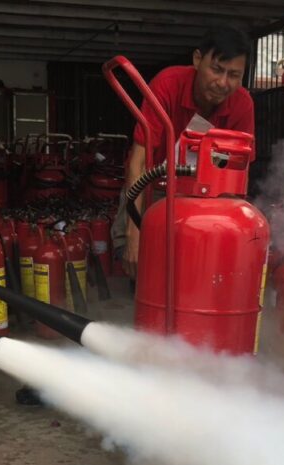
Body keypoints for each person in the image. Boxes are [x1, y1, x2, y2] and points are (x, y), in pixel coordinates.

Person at [112, 25, 256, 278]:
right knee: (140, 261)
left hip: (207, 194)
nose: (223, 83)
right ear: (198, 59)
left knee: (200, 266)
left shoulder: (242, 104)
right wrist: (135, 234)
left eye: (234, 75)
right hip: (153, 185)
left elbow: (239, 173)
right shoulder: (167, 85)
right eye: (217, 69)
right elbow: (139, 161)